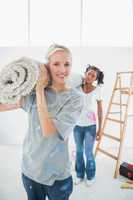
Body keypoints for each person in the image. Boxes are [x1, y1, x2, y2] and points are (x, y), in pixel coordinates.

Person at [0, 44, 83, 200]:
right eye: (56, 64)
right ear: (47, 66)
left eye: (67, 64)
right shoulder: (32, 94)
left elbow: (48, 130)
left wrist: (39, 90)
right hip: (30, 170)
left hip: (57, 177)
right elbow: (5, 104)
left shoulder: (75, 99)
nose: (62, 69)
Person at [73, 64, 104, 187]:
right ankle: (79, 174)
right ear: (85, 73)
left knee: (88, 152)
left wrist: (100, 129)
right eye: (89, 73)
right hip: (77, 125)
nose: (90, 76)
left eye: (93, 76)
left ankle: (90, 175)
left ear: (95, 79)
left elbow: (100, 110)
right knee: (79, 151)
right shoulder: (76, 88)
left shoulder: (98, 90)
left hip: (90, 126)